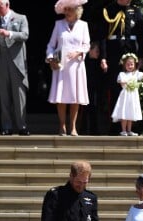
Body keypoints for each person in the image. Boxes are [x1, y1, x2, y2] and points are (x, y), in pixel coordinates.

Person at [97, 0, 143, 135]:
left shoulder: (135, 10)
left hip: (131, 53)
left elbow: (141, 35)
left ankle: (131, 127)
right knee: (114, 90)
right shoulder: (108, 10)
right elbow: (102, 36)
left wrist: (142, 56)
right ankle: (115, 126)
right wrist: (103, 57)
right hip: (114, 54)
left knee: (132, 90)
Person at [46, 0, 90, 137]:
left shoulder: (83, 25)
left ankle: (73, 127)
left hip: (76, 66)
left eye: (70, 9)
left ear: (77, 11)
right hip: (61, 66)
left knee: (75, 97)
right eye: (65, 10)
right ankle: (62, 126)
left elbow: (87, 45)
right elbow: (51, 45)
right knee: (61, 97)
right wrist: (50, 57)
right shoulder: (58, 24)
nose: (67, 12)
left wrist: (78, 52)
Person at [0, 0, 30, 136]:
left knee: (19, 96)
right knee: (4, 96)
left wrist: (9, 34)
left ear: (7, 5)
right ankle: (6, 126)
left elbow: (25, 35)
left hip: (17, 62)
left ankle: (22, 126)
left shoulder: (21, 18)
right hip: (1, 62)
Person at [111, 53, 143, 136]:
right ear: (124, 65)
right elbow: (121, 83)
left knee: (130, 112)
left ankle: (129, 130)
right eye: (128, 64)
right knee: (124, 112)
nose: (130, 66)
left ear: (135, 65)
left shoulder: (136, 74)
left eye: (131, 64)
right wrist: (128, 82)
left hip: (133, 96)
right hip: (125, 96)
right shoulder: (122, 74)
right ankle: (123, 130)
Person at [80, 41, 103, 135]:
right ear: (90, 50)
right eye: (96, 51)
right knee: (85, 110)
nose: (98, 53)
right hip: (85, 89)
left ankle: (94, 130)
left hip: (94, 91)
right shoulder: (83, 63)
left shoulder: (99, 63)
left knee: (94, 109)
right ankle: (83, 130)